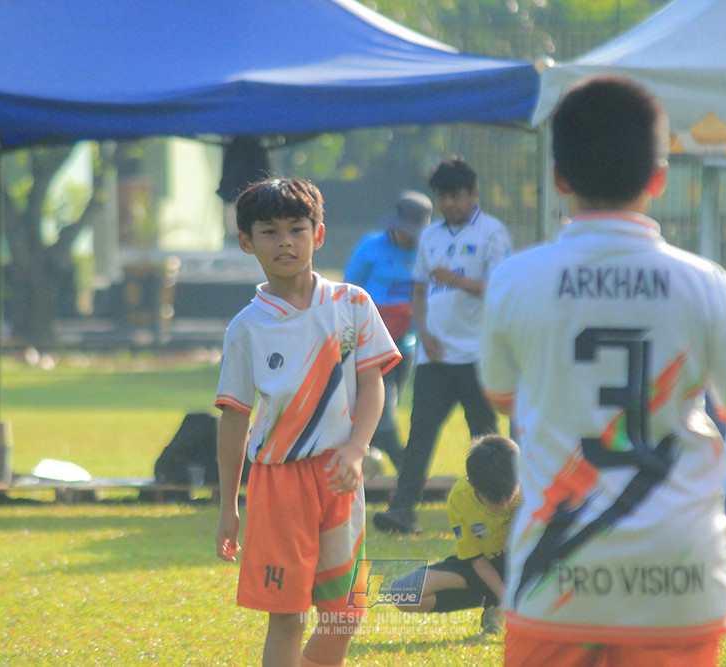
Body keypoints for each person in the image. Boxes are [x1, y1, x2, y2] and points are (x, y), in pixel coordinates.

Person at [479, 75, 726, 666]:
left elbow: (502, 394)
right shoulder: (707, 286)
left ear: (559, 179)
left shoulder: (514, 280)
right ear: (660, 178)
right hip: (680, 580)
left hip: (555, 580)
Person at [214, 177, 402, 667]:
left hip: (341, 477)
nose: (285, 242)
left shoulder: (353, 303)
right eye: (270, 232)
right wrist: (229, 504)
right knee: (288, 617)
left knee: (345, 614)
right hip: (279, 484)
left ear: (318, 234)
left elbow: (372, 383)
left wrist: (358, 449)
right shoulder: (246, 328)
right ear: (246, 242)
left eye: (297, 229)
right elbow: (234, 418)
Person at [373, 157, 512, 535]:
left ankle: (499, 510)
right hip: (434, 356)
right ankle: (402, 511)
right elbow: (420, 290)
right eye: (443, 196)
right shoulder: (430, 236)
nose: (450, 203)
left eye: (457, 195)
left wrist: (457, 280)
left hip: (478, 355)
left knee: (486, 439)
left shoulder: (492, 233)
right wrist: (425, 333)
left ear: (473, 193)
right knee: (419, 436)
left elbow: (500, 288)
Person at [388, 434, 521, 635]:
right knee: (402, 593)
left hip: (525, 563)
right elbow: (475, 558)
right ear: (472, 484)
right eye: (493, 500)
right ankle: (495, 603)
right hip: (485, 565)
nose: (503, 506)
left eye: (509, 497)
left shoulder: (534, 486)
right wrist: (506, 597)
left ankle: (515, 605)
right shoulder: (459, 497)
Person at [343, 191, 432, 473]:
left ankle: (368, 467)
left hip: (405, 344)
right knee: (383, 413)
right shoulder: (370, 247)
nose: (407, 237)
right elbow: (349, 291)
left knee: (384, 408)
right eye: (403, 230)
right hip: (370, 344)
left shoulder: (426, 252)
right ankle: (408, 473)